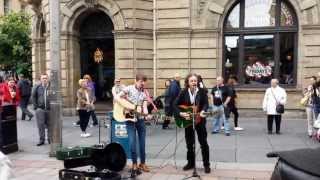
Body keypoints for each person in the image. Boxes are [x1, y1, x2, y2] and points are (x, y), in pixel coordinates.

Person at [116, 74, 152, 177]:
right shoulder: (129, 89)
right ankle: (134, 164)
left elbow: (144, 108)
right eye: (141, 82)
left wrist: (146, 114)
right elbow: (117, 97)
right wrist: (128, 106)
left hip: (140, 120)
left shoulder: (144, 93)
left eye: (144, 82)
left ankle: (143, 163)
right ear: (135, 81)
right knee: (132, 143)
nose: (142, 84)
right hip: (130, 119)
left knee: (142, 143)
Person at [173, 73, 210, 173]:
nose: (194, 82)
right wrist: (181, 113)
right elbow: (175, 104)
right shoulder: (183, 92)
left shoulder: (202, 91)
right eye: (191, 81)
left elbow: (206, 103)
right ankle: (190, 163)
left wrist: (203, 110)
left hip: (200, 120)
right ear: (188, 83)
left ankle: (206, 164)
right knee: (189, 144)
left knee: (203, 143)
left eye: (195, 81)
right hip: (188, 121)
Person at [32, 74, 51, 146]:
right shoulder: (37, 87)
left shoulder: (51, 87)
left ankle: (50, 139)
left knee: (50, 125)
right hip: (40, 109)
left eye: (46, 78)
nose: (44, 79)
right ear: (40, 79)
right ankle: (41, 140)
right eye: (43, 78)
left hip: (50, 109)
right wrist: (36, 107)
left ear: (48, 79)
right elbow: (33, 96)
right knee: (41, 125)